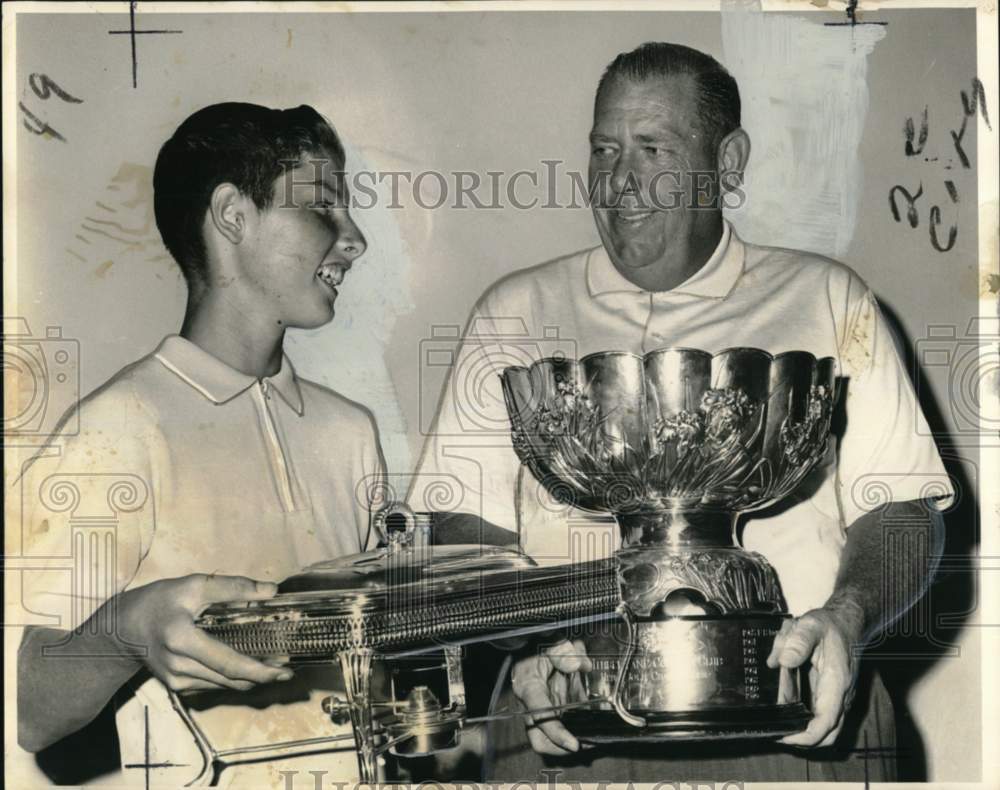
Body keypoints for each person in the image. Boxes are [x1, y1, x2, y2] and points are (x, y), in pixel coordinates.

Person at [409, 42, 951, 782]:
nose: (620, 180)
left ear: (727, 164)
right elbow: (463, 524)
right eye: (604, 148)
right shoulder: (514, 312)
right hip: (564, 720)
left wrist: (846, 620)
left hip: (795, 716)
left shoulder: (826, 298)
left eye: (652, 148)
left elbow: (900, 507)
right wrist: (527, 641)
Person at [15, 102, 386, 786]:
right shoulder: (119, 425)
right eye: (323, 207)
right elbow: (32, 708)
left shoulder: (350, 432)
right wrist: (128, 628)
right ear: (233, 216)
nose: (353, 238)